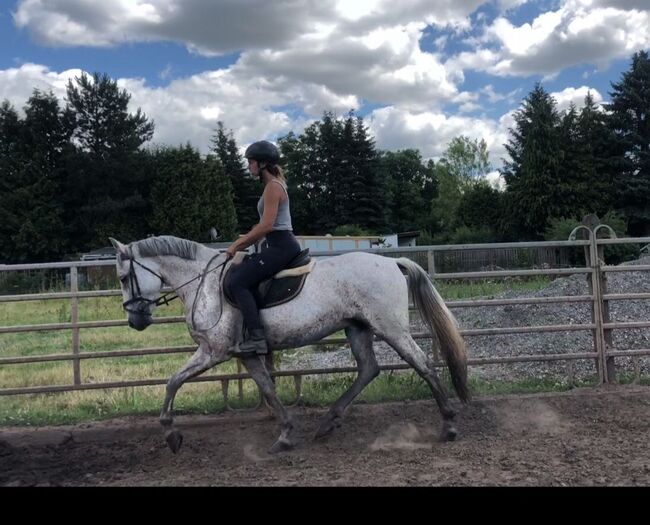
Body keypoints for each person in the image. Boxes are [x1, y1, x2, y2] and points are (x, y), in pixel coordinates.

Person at [225, 140, 301, 356]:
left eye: (251, 162)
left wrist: (237, 245)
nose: (249, 167)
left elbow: (267, 225)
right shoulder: (274, 185)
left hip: (281, 246)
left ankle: (257, 339)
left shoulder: (272, 188)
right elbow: (265, 226)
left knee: (237, 282)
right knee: (242, 272)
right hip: (276, 243)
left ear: (262, 164)